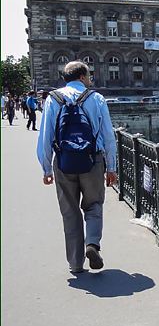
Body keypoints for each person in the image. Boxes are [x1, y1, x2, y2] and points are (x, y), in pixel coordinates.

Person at [37, 61, 118, 274]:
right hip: (92, 161)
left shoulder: (52, 99)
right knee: (94, 205)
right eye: (89, 75)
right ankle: (92, 244)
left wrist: (46, 168)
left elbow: (45, 135)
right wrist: (111, 167)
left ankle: (75, 263)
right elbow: (109, 136)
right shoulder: (96, 98)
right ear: (82, 77)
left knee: (70, 211)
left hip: (63, 162)